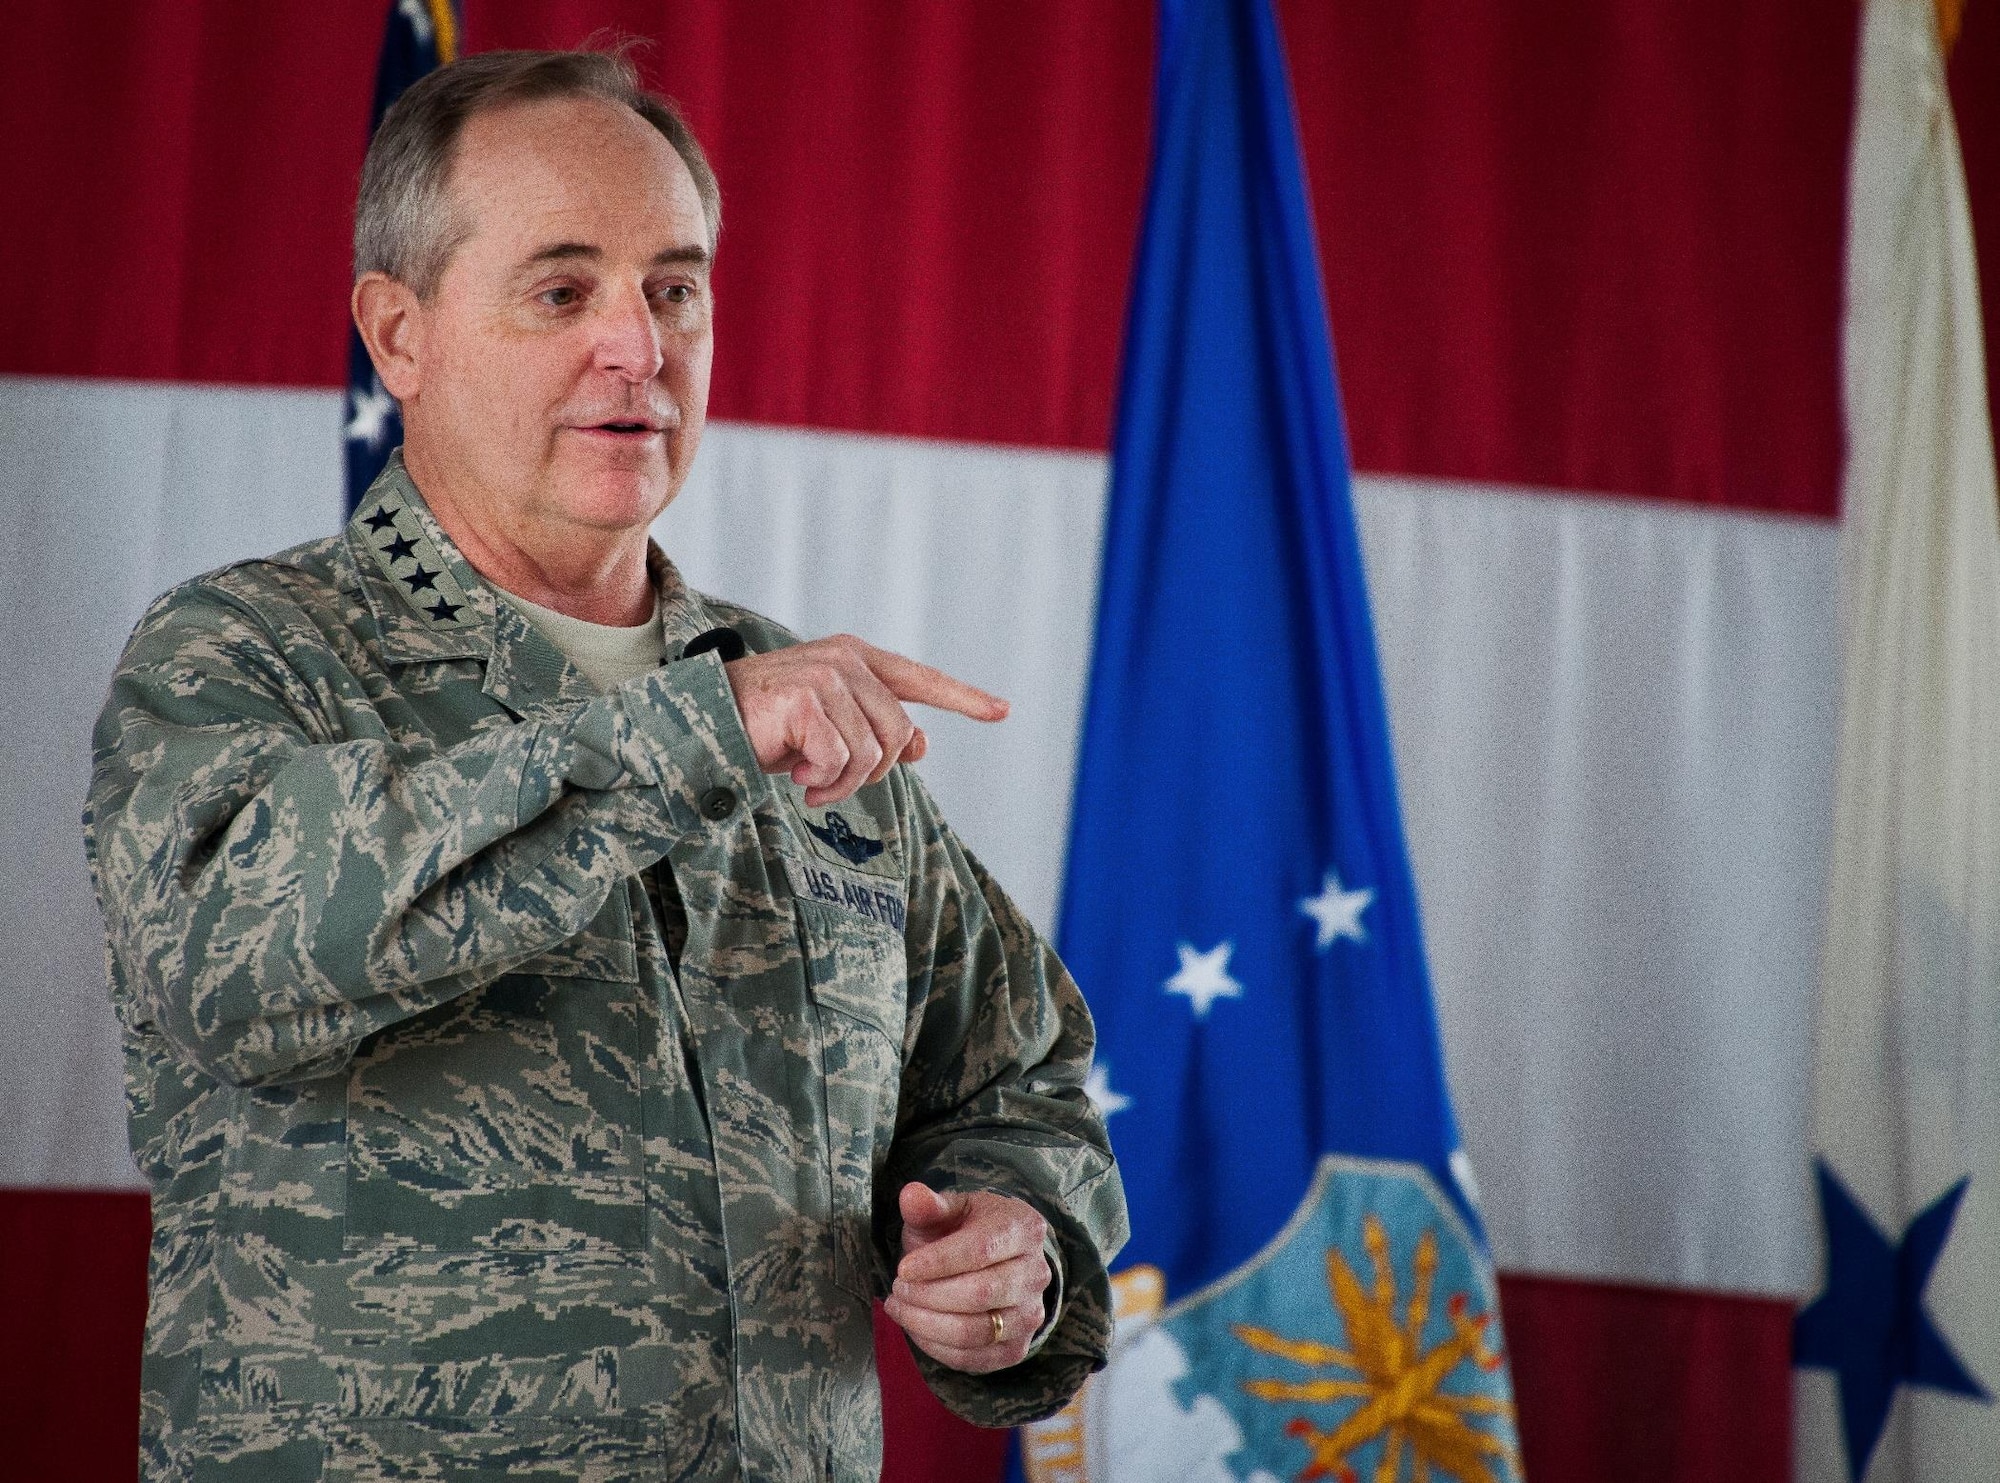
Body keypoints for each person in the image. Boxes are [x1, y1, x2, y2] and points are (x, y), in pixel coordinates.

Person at [84, 48, 1126, 1482]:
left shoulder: (802, 706)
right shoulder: (248, 656)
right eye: (564, 291)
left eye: (676, 288)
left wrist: (1020, 1248)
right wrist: (698, 736)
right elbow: (235, 965)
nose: (639, 349)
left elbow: (1017, 1077)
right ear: (400, 335)